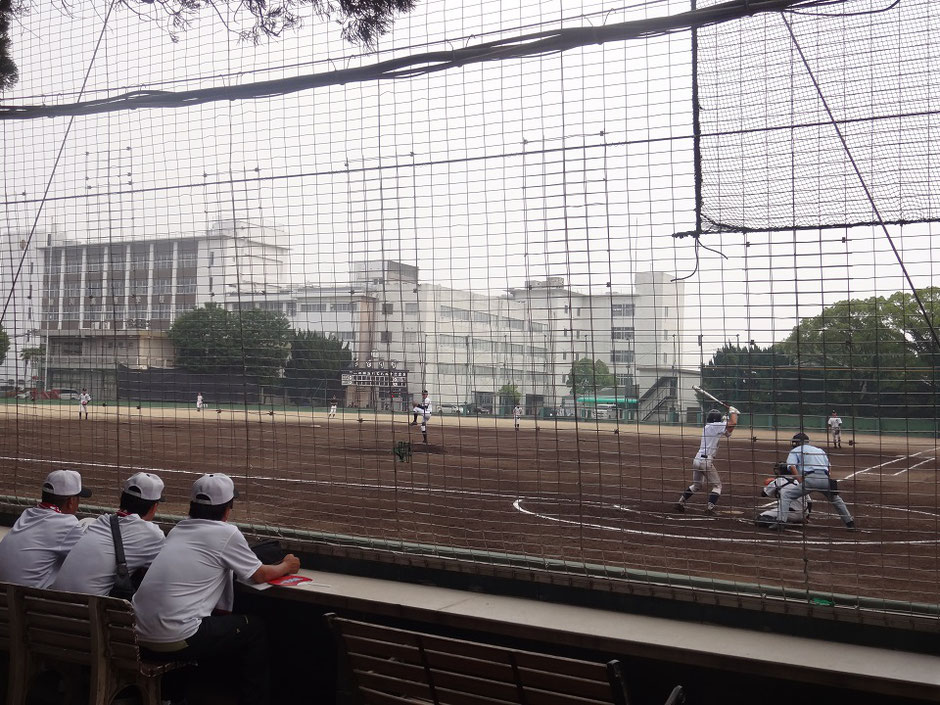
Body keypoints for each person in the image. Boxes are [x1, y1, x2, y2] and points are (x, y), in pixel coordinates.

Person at [132, 473, 300, 705]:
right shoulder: (226, 533)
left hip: (136, 635)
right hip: (175, 639)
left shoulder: (179, 529)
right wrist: (286, 565)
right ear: (227, 509)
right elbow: (259, 574)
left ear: (192, 506)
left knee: (206, 624)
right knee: (255, 629)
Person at [52, 472, 166, 596]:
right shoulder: (152, 534)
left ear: (122, 498)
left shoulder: (101, 521)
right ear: (154, 507)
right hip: (88, 612)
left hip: (53, 604)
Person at [0, 469, 92, 587]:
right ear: (71, 501)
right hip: (31, 602)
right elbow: (88, 562)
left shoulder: (27, 514)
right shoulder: (67, 523)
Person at [775, 432, 855, 530]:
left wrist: (801, 481)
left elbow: (792, 467)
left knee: (786, 496)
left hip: (810, 479)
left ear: (798, 442)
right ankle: (850, 523)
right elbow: (829, 467)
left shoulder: (795, 450)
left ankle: (781, 522)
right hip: (825, 479)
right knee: (836, 500)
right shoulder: (819, 450)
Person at [674, 406, 739, 515]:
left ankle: (680, 502)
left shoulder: (709, 426)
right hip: (706, 461)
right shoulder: (715, 426)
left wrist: (733, 416)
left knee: (696, 485)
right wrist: (733, 411)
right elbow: (732, 423)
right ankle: (710, 508)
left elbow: (729, 430)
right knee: (717, 486)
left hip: (697, 459)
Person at [755, 463, 812, 528]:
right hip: (803, 514)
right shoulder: (799, 481)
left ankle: (780, 522)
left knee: (760, 518)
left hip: (788, 513)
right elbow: (809, 502)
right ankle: (798, 520)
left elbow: (764, 494)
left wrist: (771, 484)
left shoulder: (778, 481)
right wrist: (807, 517)